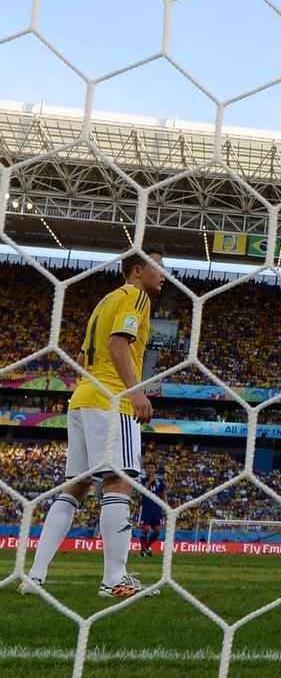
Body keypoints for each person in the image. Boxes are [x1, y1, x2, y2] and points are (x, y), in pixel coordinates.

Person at [21, 248, 166, 598]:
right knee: (120, 482)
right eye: (159, 267)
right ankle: (114, 580)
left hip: (84, 397)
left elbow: (92, 352)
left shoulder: (106, 301)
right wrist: (135, 393)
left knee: (76, 486)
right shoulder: (136, 297)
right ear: (137, 270)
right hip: (111, 401)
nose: (164, 274)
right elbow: (119, 345)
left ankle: (35, 576)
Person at [138, 464, 167, 558]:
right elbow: (142, 491)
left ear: (155, 470)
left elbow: (163, 493)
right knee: (145, 529)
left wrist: (165, 506)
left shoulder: (160, 482)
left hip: (157, 508)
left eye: (152, 468)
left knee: (158, 531)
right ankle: (143, 550)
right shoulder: (142, 480)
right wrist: (150, 481)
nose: (150, 469)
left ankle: (146, 547)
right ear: (145, 470)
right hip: (146, 508)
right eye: (148, 468)